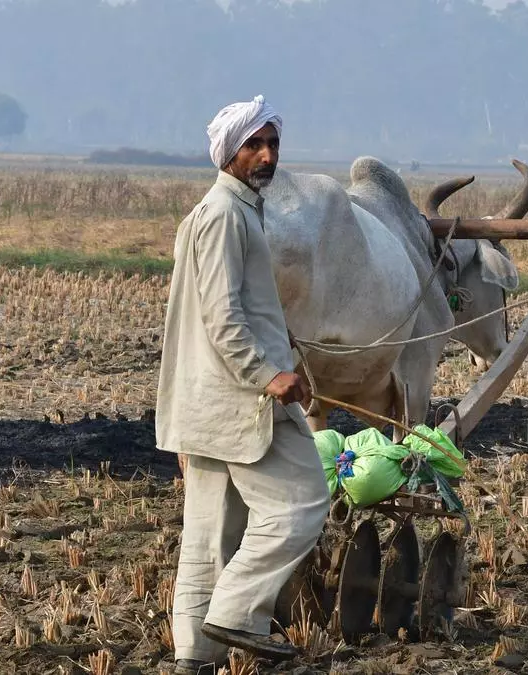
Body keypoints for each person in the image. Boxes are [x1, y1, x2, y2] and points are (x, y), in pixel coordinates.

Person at [154, 95, 330, 674]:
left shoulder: (233, 210)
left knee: (209, 537)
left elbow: (236, 313)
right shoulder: (225, 215)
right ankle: (233, 613)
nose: (266, 155)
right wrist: (270, 374)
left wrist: (284, 349)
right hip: (242, 402)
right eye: (253, 145)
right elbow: (222, 317)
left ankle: (193, 662)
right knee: (302, 504)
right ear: (229, 153)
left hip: (208, 404)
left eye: (273, 144)